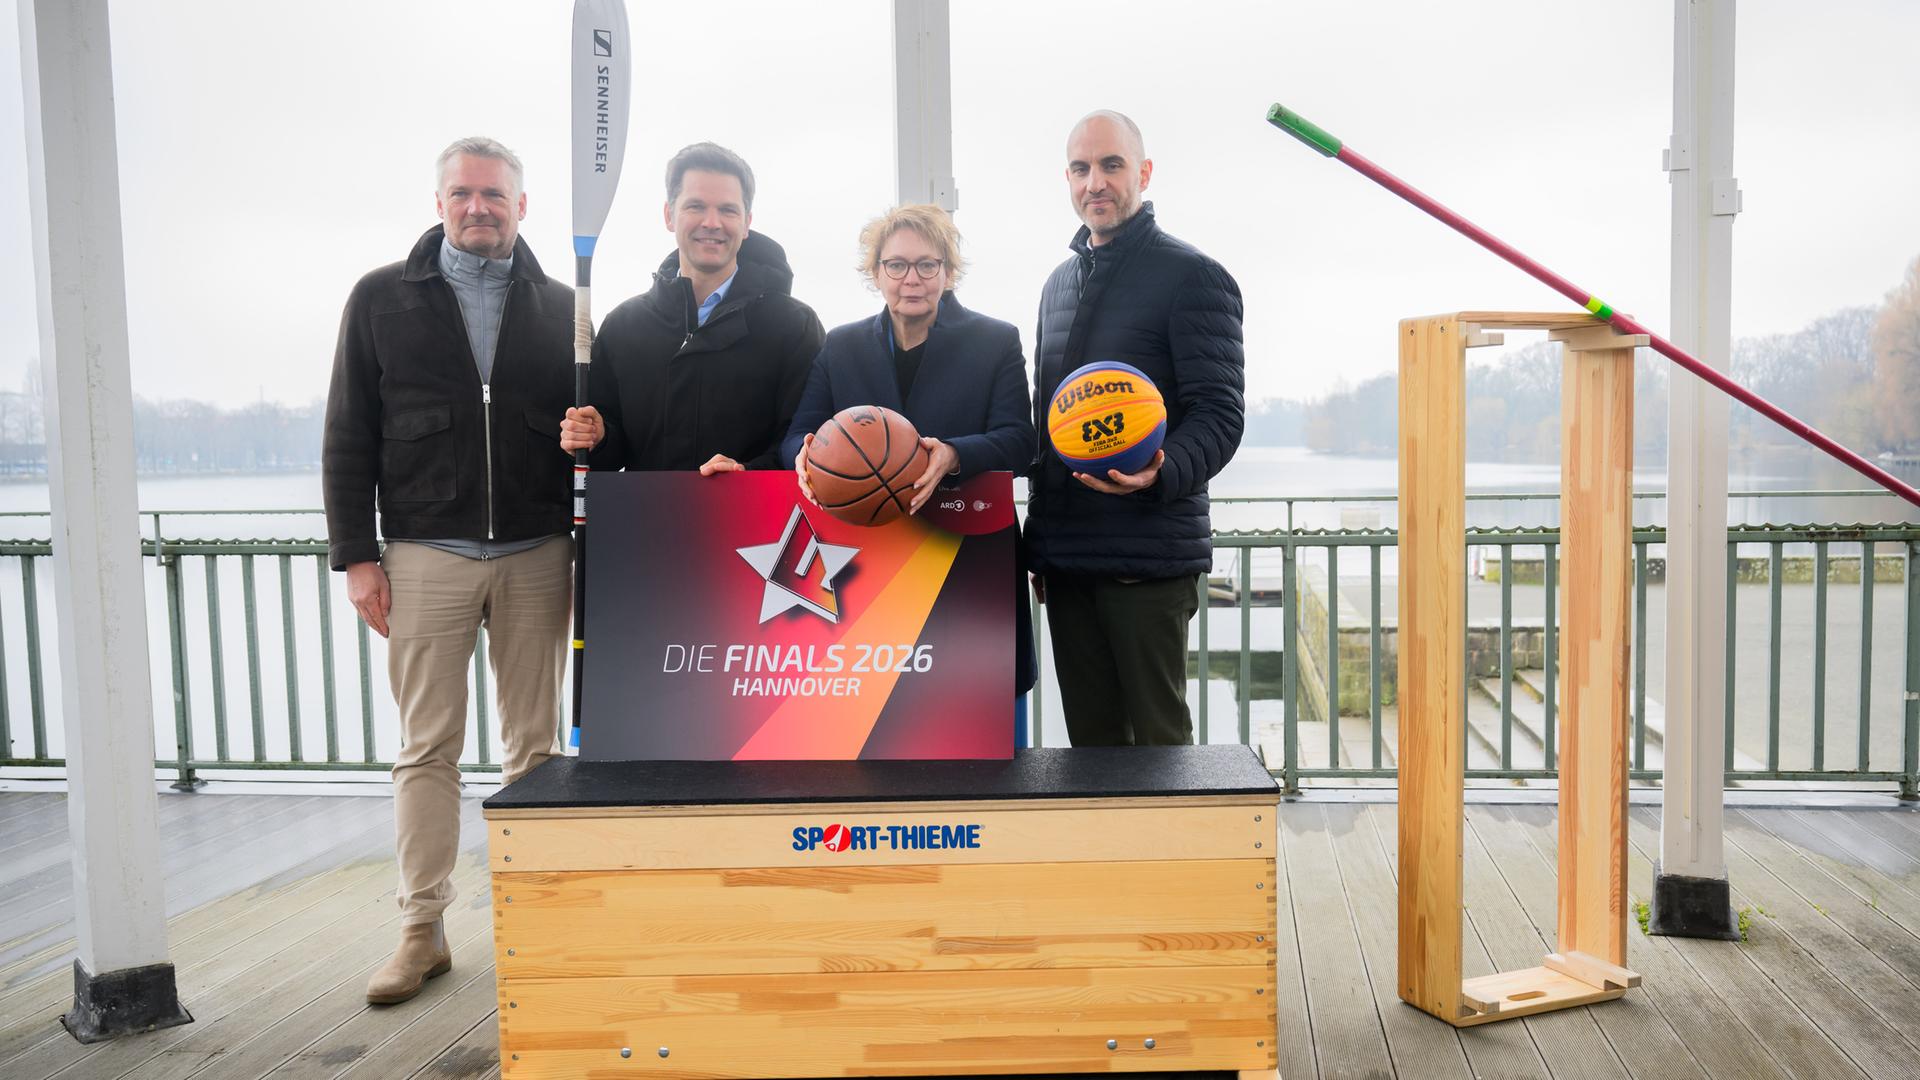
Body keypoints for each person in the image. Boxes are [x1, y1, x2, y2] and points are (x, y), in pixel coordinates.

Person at [324, 137, 576, 1005]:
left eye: (495, 195)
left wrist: (595, 434)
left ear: (522, 205)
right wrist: (358, 556)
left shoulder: (565, 306)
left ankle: (535, 921)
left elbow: (597, 423)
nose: (479, 207)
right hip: (425, 552)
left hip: (540, 551)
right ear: (439, 203)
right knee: (426, 748)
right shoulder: (379, 299)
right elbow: (348, 433)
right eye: (463, 194)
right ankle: (420, 929)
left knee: (536, 752)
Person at [1025, 110, 1246, 747]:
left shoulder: (1193, 277)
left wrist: (1159, 471)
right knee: (1092, 752)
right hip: (1069, 564)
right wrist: (1043, 543)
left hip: (1146, 560)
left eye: (1112, 165)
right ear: (1067, 179)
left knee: (1159, 751)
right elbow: (1051, 428)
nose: (1095, 181)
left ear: (1143, 173)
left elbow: (1220, 415)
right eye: (1081, 168)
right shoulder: (1057, 286)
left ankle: (1180, 854)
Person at [782, 204, 1037, 733]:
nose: (912, 279)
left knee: (988, 736)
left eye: (928, 264)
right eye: (896, 265)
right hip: (872, 568)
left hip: (969, 561)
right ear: (875, 272)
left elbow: (1020, 440)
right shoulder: (842, 344)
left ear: (949, 270)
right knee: (884, 732)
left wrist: (953, 454)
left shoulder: (995, 341)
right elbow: (796, 437)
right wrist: (805, 460)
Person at [558, 143, 823, 470]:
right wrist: (597, 439)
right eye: (695, 206)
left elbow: (801, 442)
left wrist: (748, 474)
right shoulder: (623, 327)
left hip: (752, 517)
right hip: (647, 518)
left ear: (747, 222)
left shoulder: (794, 326)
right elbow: (609, 455)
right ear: (669, 215)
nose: (712, 222)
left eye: (728, 210)